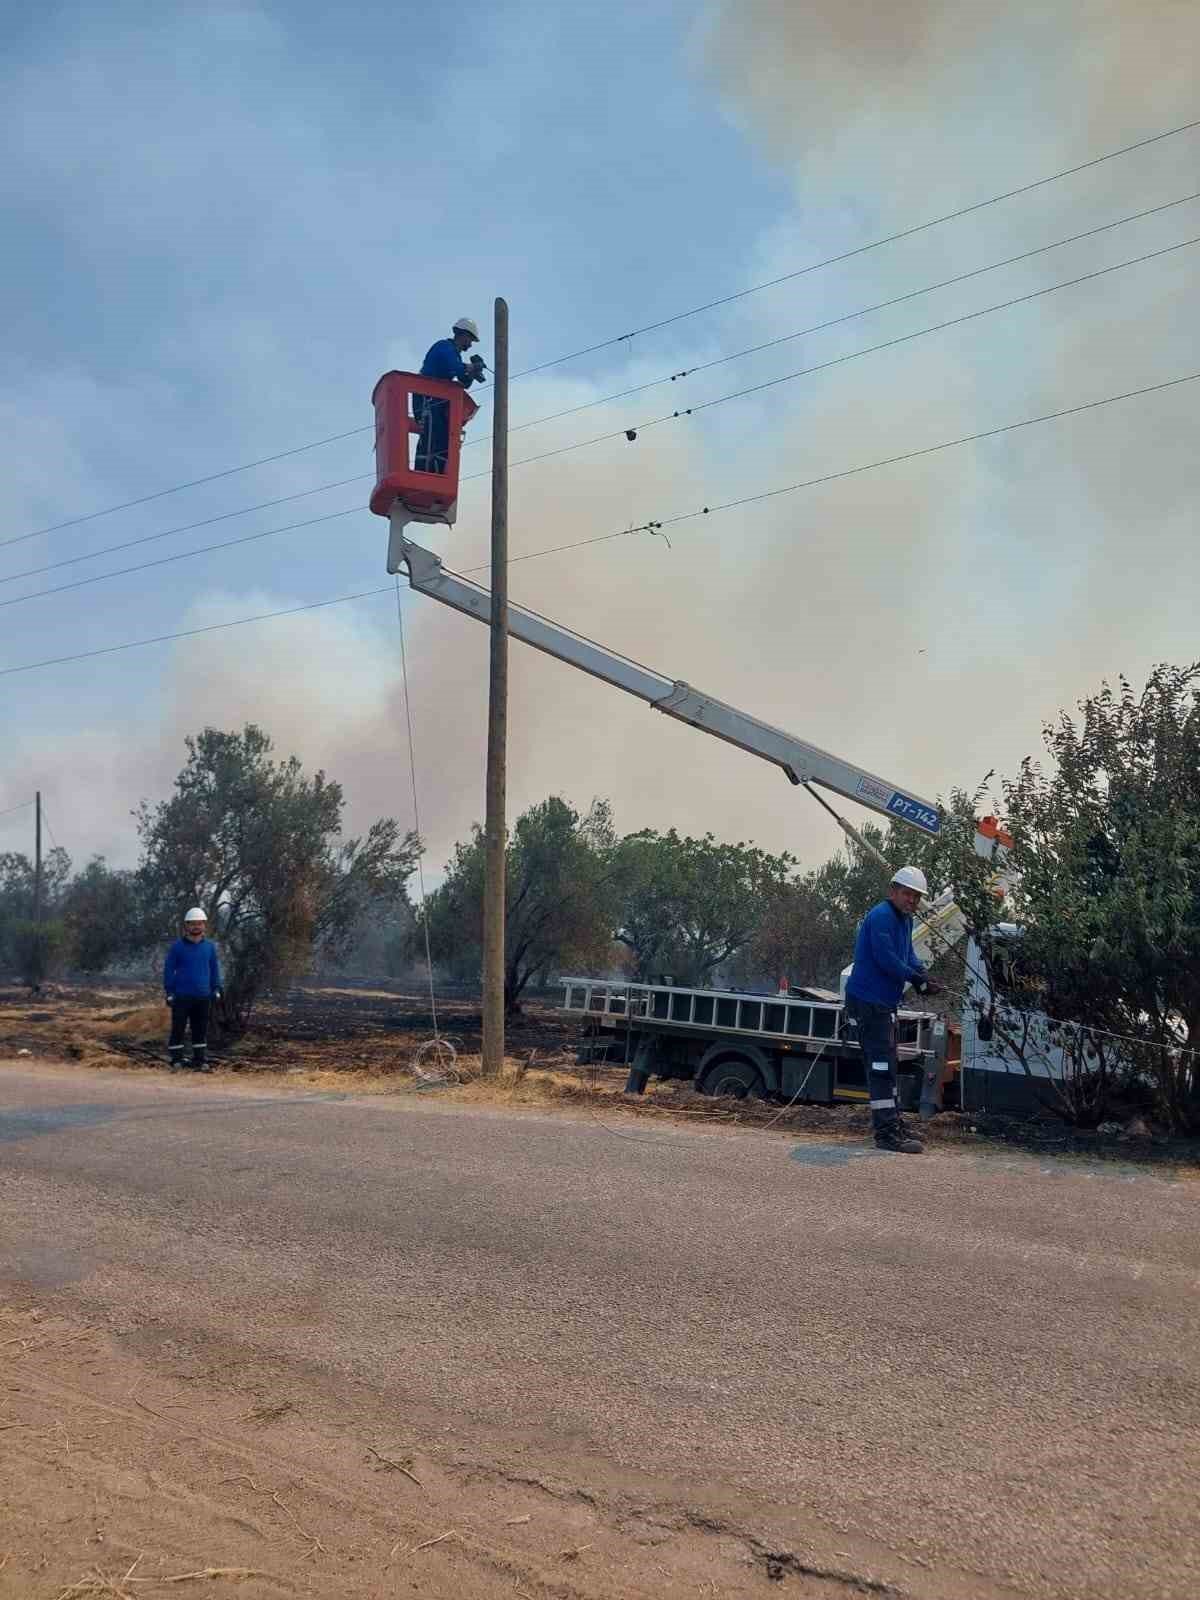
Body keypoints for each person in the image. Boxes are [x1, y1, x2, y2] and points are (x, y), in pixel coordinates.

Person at [844, 866, 942, 1154]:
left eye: (916, 896)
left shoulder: (905, 920)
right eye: (908, 894)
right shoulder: (882, 917)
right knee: (881, 1067)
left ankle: (892, 1123)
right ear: (893, 891)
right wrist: (916, 979)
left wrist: (922, 974)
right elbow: (887, 960)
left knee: (889, 1064)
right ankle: (886, 1134)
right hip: (868, 1002)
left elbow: (907, 955)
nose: (912, 900)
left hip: (883, 1004)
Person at [414, 317, 486, 473]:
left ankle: (437, 473)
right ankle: (426, 473)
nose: (470, 344)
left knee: (441, 439)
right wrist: (471, 367)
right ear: (462, 335)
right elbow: (457, 368)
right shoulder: (444, 347)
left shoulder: (456, 355)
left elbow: (464, 381)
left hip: (437, 402)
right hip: (427, 399)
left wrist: (472, 373)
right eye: (470, 340)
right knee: (432, 437)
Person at [163, 907, 222, 1072]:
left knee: (200, 1028)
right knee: (178, 1028)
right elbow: (168, 969)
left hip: (203, 996)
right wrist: (169, 992)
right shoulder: (177, 947)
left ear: (204, 926)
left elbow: (214, 969)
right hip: (181, 996)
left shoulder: (209, 947)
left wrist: (216, 988)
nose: (196, 927)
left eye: (199, 924)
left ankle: (200, 1060)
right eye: (192, 924)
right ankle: (176, 1060)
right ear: (186, 926)